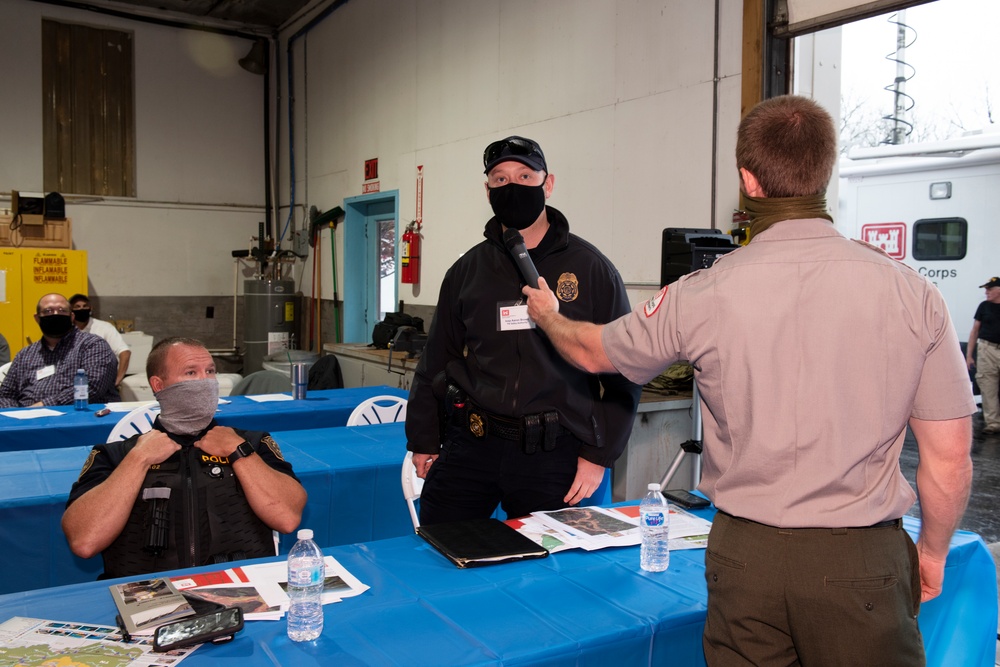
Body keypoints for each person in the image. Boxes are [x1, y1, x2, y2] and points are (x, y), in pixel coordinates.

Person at [523, 96, 974, 665]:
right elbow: (951, 460)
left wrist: (547, 314)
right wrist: (932, 553)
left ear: (748, 181)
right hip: (861, 561)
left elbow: (592, 352)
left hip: (746, 559)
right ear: (824, 172)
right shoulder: (914, 295)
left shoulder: (702, 293)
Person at [406, 135, 641, 524]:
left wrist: (598, 456)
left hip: (554, 455)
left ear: (547, 184)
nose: (511, 186)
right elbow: (437, 360)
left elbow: (624, 368)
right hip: (472, 444)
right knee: (442, 552)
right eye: (499, 179)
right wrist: (424, 438)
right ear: (487, 191)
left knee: (548, 575)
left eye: (524, 175)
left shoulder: (591, 269)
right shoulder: (466, 271)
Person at [62, 337, 306, 579]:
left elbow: (287, 519)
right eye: (191, 372)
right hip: (151, 597)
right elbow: (85, 541)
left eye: (210, 371)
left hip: (239, 589)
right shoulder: (114, 455)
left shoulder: (252, 443)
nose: (205, 381)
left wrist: (239, 453)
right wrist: (138, 459)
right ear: (158, 385)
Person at [0, 293, 120, 408]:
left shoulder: (93, 345)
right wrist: (16, 414)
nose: (55, 314)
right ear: (37, 318)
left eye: (62, 310)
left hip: (80, 420)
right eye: (48, 311)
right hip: (27, 423)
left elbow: (92, 387)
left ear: (72, 317)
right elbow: (5, 395)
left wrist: (43, 405)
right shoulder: (25, 355)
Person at [69, 293, 131, 386]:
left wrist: (118, 380)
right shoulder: (67, 330)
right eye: (77, 307)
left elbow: (125, 353)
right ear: (71, 311)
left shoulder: (104, 328)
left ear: (91, 308)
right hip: (72, 383)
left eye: (85, 306)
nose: (81, 309)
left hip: (101, 384)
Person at [966, 276, 1000, 434]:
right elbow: (974, 331)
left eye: (990, 289)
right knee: (988, 385)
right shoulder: (984, 306)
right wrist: (969, 356)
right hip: (987, 349)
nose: (986, 292)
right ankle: (993, 423)